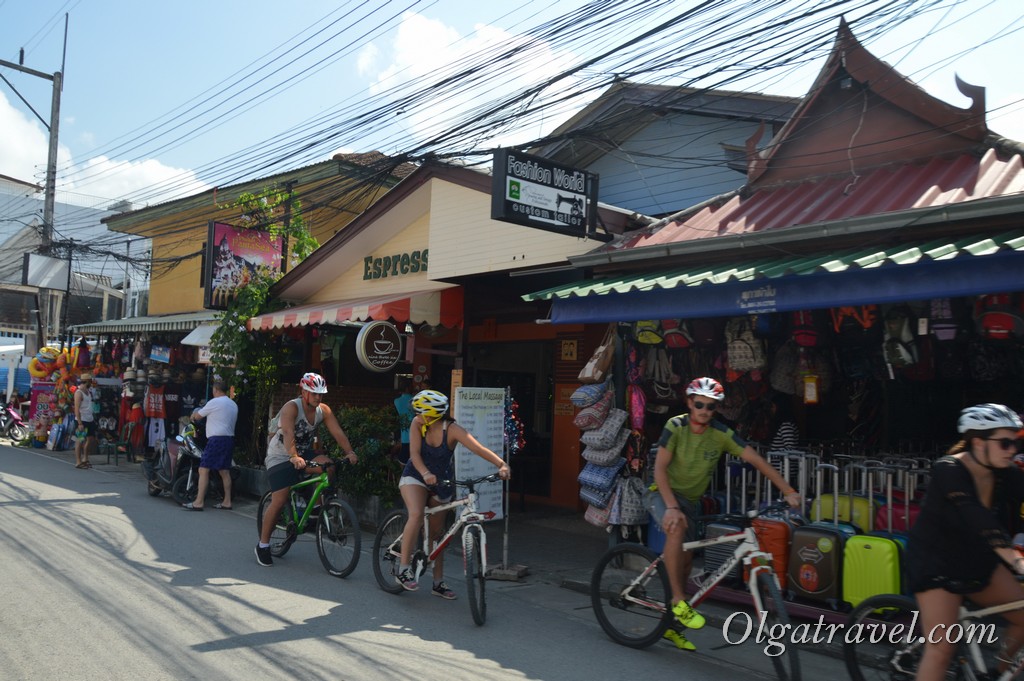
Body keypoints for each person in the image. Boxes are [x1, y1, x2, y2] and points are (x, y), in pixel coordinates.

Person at [650, 377, 802, 651]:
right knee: (677, 527)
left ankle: (672, 625)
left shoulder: (721, 433)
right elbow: (659, 469)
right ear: (689, 403)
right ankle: (676, 601)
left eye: (710, 406)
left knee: (686, 561)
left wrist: (789, 491)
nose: (704, 411)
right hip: (663, 494)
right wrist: (671, 506)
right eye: (699, 404)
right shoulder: (676, 426)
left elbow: (756, 460)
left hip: (691, 501)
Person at [907, 404, 1024, 681]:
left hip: (978, 560)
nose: (1012, 450)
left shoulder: (1004, 471)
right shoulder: (948, 469)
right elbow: (977, 517)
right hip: (937, 564)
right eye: (1005, 443)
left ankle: (996, 673)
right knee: (941, 649)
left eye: (1016, 443)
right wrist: (1017, 561)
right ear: (978, 442)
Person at [395, 389, 510, 597]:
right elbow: (414, 454)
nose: (418, 416)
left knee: (438, 535)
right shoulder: (417, 424)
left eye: (422, 412)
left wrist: (501, 464)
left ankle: (438, 582)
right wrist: (425, 473)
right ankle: (403, 568)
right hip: (416, 474)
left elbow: (477, 448)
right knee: (416, 514)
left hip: (442, 481)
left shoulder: (452, 429)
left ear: (432, 414)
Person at [255, 372, 358, 566]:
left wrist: (350, 452)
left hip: (303, 453)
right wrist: (293, 456)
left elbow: (337, 432)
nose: (318, 397)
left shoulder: (323, 410)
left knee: (328, 466)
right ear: (304, 392)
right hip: (280, 455)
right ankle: (263, 545)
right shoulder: (291, 407)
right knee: (280, 499)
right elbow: (287, 432)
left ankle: (317, 510)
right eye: (314, 393)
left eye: (321, 394)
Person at [182, 381, 238, 511]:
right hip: (229, 439)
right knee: (224, 471)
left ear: (216, 390)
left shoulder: (214, 402)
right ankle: (227, 501)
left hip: (216, 439)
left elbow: (198, 416)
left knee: (203, 469)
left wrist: (193, 415)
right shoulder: (233, 404)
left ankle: (199, 502)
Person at [73, 373, 98, 469]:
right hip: (82, 420)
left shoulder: (88, 391)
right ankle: (78, 461)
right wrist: (79, 423)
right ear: (86, 381)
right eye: (90, 382)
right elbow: (76, 408)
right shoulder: (79, 393)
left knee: (90, 439)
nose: (91, 383)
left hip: (89, 419)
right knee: (80, 440)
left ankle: (85, 458)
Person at [393, 380, 414, 465]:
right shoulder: (414, 400)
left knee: (403, 461)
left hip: (403, 434)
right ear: (407, 388)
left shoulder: (396, 401)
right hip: (415, 434)